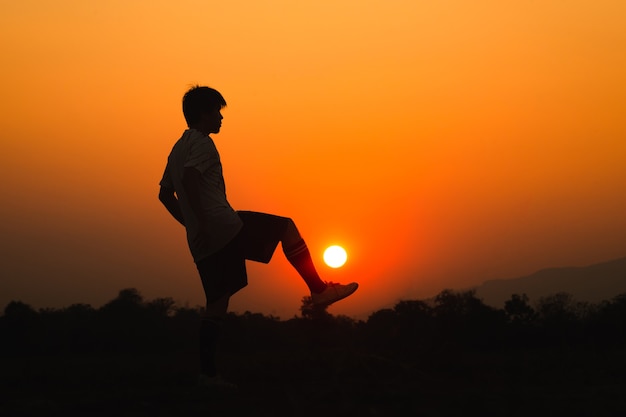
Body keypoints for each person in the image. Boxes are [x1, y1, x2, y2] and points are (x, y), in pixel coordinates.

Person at [158, 85, 358, 389]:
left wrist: (191, 226)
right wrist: (203, 221)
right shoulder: (202, 143)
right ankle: (318, 290)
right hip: (225, 227)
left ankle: (207, 376)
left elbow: (164, 194)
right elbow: (189, 178)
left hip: (201, 242)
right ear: (203, 113)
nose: (221, 118)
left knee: (216, 305)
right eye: (217, 112)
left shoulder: (176, 149)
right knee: (286, 227)